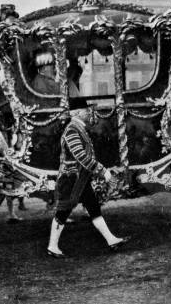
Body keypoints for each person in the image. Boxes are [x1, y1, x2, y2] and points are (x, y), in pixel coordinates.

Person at [47, 106, 130, 258]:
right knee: (63, 211)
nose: (89, 112)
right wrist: (102, 170)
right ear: (77, 112)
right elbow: (81, 156)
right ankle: (52, 246)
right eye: (86, 110)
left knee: (93, 207)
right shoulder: (72, 129)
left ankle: (111, 239)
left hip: (80, 179)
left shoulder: (78, 128)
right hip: (71, 179)